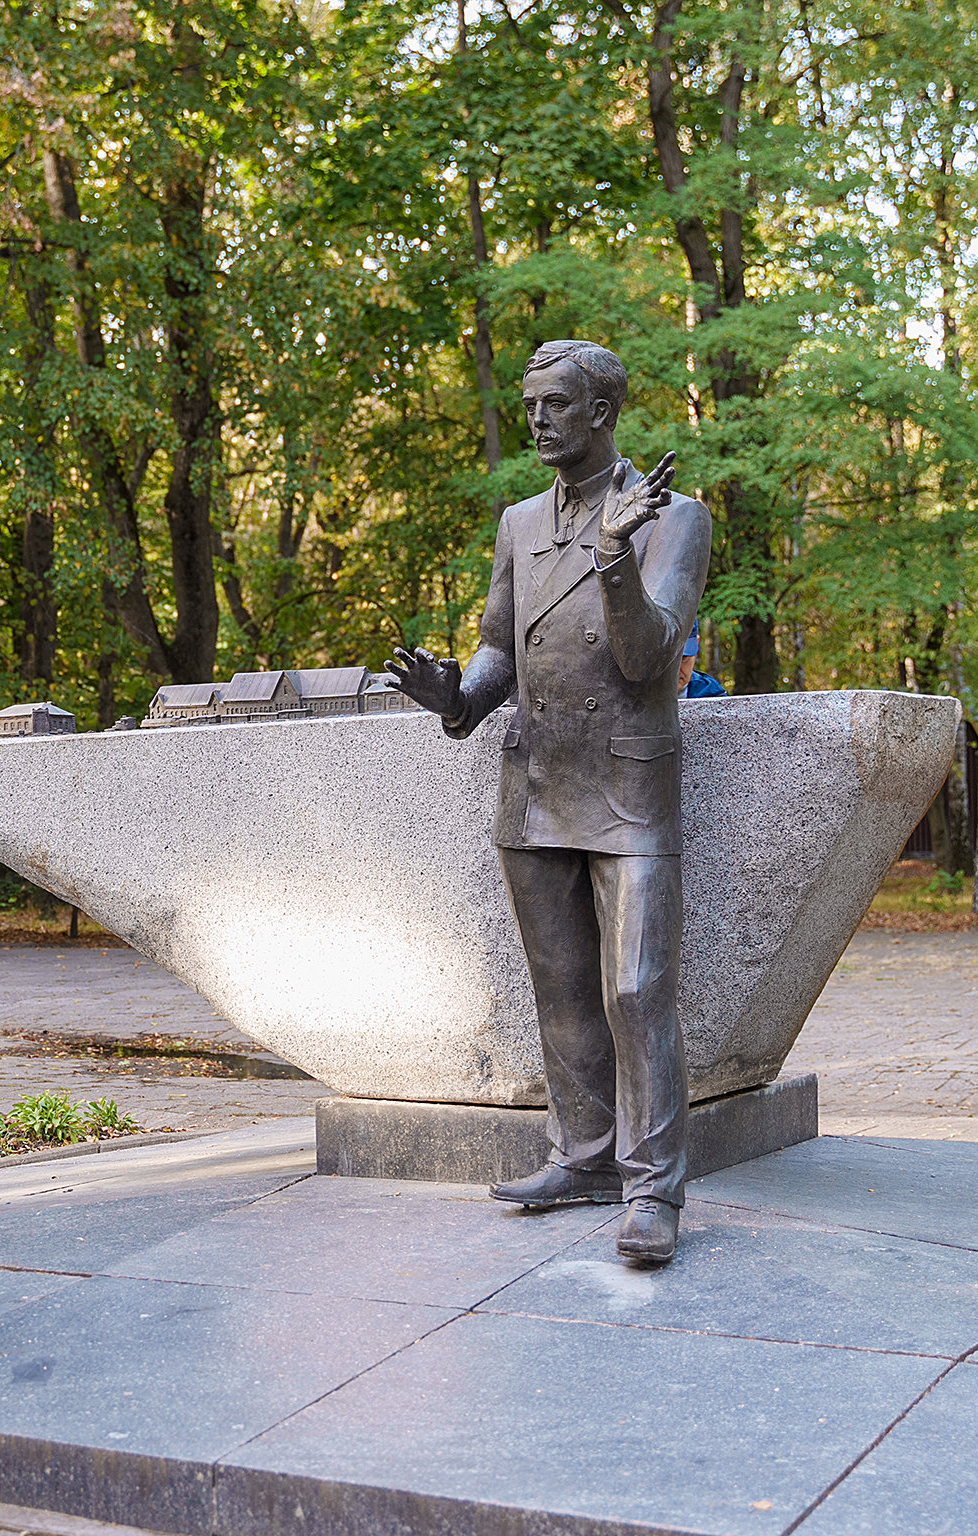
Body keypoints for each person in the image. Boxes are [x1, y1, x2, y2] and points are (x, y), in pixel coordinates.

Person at [386, 340, 709, 1265]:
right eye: (530, 403)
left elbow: (650, 659)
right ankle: (586, 1156)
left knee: (637, 989)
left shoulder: (673, 518)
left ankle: (654, 1191)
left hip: (628, 784)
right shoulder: (518, 520)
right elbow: (500, 649)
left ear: (602, 413)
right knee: (563, 990)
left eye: (556, 404)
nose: (536, 419)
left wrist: (614, 554)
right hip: (534, 786)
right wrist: (457, 697)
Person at [678, 625, 726, 698]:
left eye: (682, 658)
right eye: (664, 660)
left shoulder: (712, 696)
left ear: (697, 643)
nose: (674, 670)